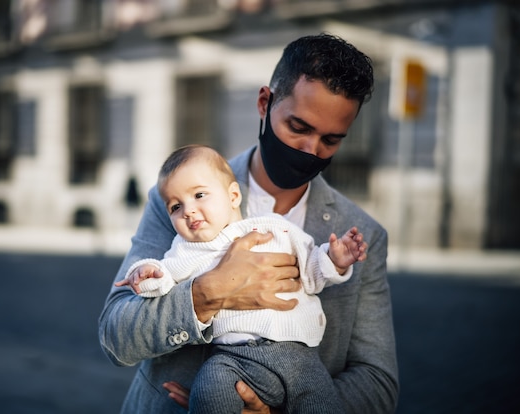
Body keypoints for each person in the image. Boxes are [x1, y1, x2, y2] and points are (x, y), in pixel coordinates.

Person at [99, 33, 399, 414]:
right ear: (264, 103)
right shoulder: (184, 203)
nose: (311, 150)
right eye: (299, 127)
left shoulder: (362, 233)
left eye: (331, 140)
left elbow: (378, 382)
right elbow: (115, 335)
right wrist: (207, 293)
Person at [115, 145, 366, 413]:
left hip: (298, 355)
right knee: (209, 390)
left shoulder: (274, 227)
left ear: (233, 195)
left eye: (199, 195)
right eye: (176, 207)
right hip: (232, 359)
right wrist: (147, 274)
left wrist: (335, 260)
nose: (188, 211)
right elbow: (165, 276)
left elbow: (312, 271)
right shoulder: (187, 250)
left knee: (322, 402)